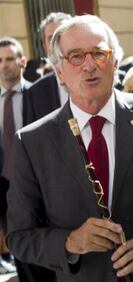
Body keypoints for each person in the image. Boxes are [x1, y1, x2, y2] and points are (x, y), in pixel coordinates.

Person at [7, 15, 133, 282]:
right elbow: (19, 236)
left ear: (115, 63)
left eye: (99, 53)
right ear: (59, 71)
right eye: (76, 56)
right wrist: (71, 242)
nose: (89, 65)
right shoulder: (33, 142)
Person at [0, 36, 32, 278]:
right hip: (3, 183)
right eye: (0, 60)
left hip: (34, 181)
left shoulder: (38, 94)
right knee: (14, 239)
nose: (4, 64)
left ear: (23, 61)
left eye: (10, 59)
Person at [25, 12, 72, 125]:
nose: (57, 43)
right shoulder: (35, 92)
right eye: (51, 39)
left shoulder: (95, 77)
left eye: (62, 36)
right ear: (45, 46)